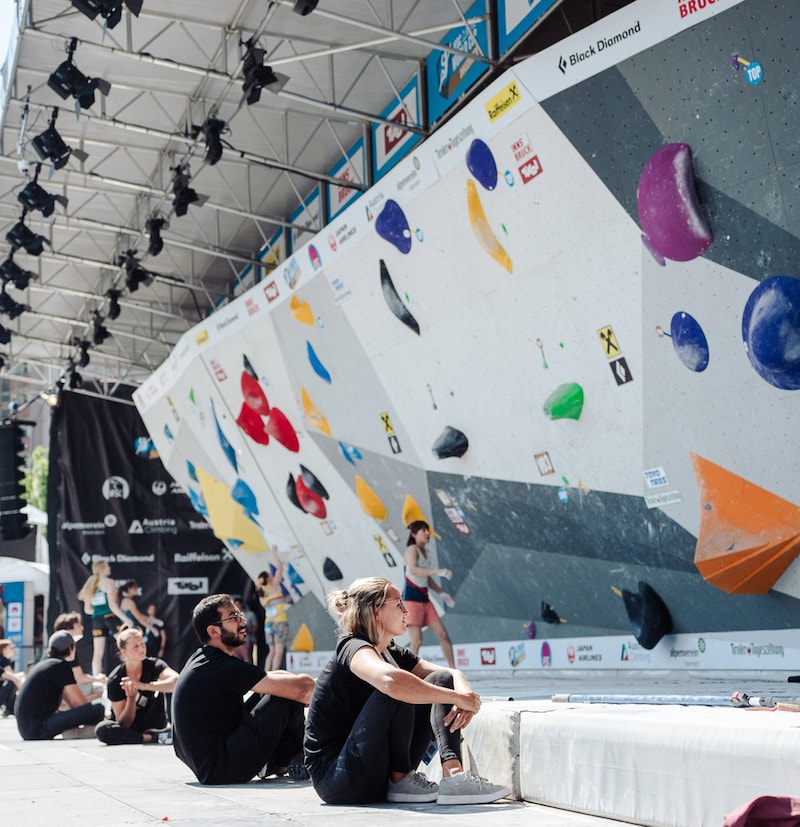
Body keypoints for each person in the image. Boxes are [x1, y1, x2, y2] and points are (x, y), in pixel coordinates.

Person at [304, 577, 511, 805]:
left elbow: (447, 675)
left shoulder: (391, 651)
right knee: (398, 685)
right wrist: (455, 698)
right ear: (376, 611)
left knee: (437, 680)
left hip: (373, 772)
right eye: (398, 604)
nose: (406, 611)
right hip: (339, 778)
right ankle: (400, 777)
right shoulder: (352, 646)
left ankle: (454, 777)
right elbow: (391, 682)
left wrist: (463, 695)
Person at [171, 593, 315, 785]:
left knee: (279, 686)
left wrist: (301, 685)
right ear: (214, 631)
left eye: (240, 614)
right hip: (222, 768)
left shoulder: (204, 659)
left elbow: (275, 678)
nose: (243, 620)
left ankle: (278, 760)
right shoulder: (223, 667)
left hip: (211, 764)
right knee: (285, 695)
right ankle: (290, 758)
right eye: (233, 617)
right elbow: (301, 691)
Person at [15, 630, 105, 740]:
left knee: (91, 711)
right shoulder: (60, 666)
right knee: (97, 708)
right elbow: (79, 704)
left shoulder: (44, 665)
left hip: (28, 730)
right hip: (39, 728)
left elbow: (72, 703)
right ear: (71, 648)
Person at [95, 627, 178, 745]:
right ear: (124, 652)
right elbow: (124, 723)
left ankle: (170, 730)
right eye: (136, 647)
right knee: (102, 730)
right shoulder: (115, 679)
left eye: (142, 644)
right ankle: (151, 738)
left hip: (153, 719)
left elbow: (177, 680)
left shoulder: (154, 664)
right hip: (130, 728)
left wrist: (144, 686)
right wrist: (131, 698)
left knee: (169, 688)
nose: (141, 649)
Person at [403, 520, 456, 669]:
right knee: (417, 641)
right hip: (411, 601)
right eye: (423, 531)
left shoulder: (427, 552)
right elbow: (413, 570)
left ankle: (453, 670)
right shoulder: (411, 550)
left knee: (443, 635)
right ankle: (408, 673)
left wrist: (442, 593)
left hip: (425, 601)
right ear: (414, 534)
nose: (427, 533)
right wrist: (437, 571)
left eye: (427, 530)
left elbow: (426, 577)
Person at [77, 559, 130, 676]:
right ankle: (131, 673)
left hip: (97, 620)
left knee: (97, 653)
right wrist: (126, 620)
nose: (110, 568)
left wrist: (98, 612)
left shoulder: (90, 584)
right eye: (107, 566)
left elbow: (87, 609)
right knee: (125, 645)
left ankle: (96, 678)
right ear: (102, 568)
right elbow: (113, 606)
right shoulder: (109, 582)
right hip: (110, 617)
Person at [53, 611, 107, 701]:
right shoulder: (67, 647)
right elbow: (80, 679)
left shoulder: (59, 645)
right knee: (100, 688)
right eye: (78, 626)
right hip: (63, 692)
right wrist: (98, 680)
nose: (82, 628)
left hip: (63, 691)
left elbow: (78, 675)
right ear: (68, 629)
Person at [257, 547, 289, 671]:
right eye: (269, 574)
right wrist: (274, 553)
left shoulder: (261, 591)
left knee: (272, 651)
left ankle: (266, 673)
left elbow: (264, 605)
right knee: (279, 651)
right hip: (280, 621)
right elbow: (280, 567)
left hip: (269, 623)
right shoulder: (274, 585)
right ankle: (274, 674)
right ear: (268, 578)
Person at [0, 639, 26, 716]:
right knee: (15, 679)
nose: (13, 650)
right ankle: (11, 708)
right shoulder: (3, 660)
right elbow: (13, 678)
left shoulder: (4, 660)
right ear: (4, 649)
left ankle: (10, 708)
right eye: (10, 648)